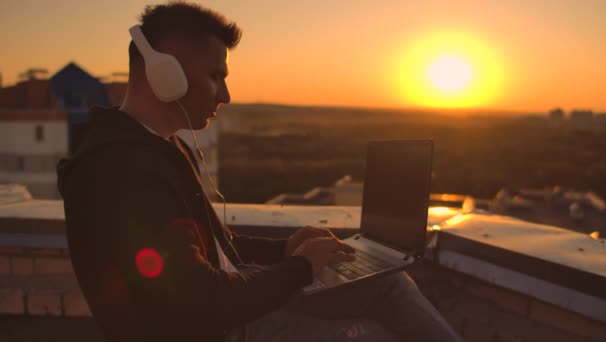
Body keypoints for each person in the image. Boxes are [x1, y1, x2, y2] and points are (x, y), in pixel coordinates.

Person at [56, 2, 462, 342]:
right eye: (216, 77)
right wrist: (301, 268)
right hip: (214, 328)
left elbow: (211, 251)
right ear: (166, 75)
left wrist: (285, 249)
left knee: (388, 284)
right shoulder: (119, 170)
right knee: (373, 334)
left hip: (234, 302)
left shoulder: (161, 145)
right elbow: (198, 299)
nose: (226, 95)